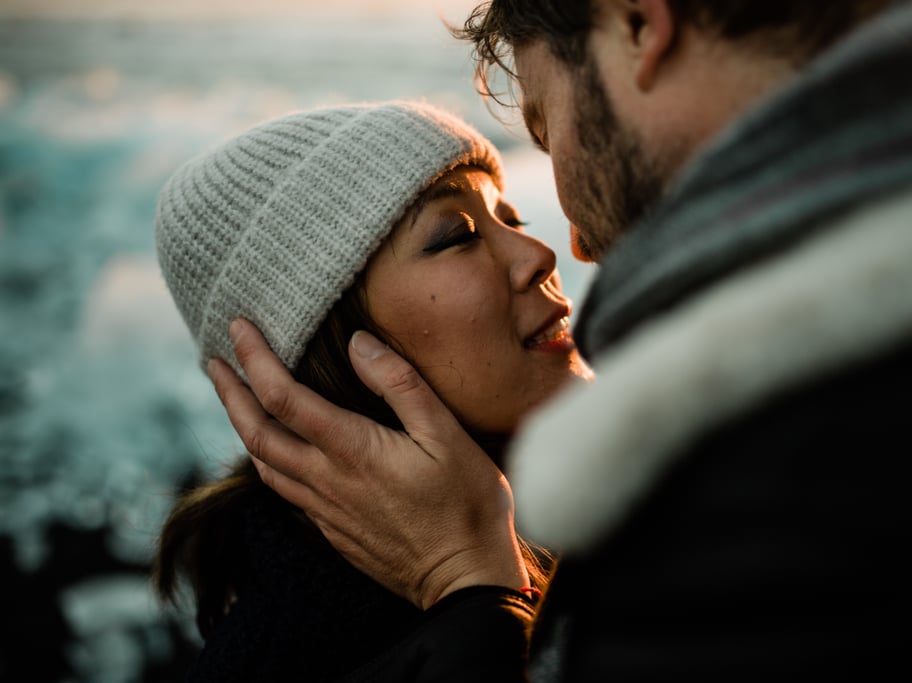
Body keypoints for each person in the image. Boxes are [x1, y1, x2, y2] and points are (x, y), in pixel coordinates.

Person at [210, 1, 912, 680]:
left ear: (640, 21)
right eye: (458, 232)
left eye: (547, 124)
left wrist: (472, 596)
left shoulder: (771, 471)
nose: (564, 249)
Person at [151, 100, 593, 682]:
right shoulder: (275, 659)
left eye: (510, 220)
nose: (539, 256)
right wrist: (475, 596)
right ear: (331, 353)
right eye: (456, 235)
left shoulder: (606, 519)